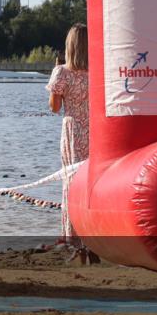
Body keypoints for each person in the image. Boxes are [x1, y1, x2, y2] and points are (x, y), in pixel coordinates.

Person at [47, 24, 98, 264]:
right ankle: (94, 236)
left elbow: (54, 108)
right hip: (95, 130)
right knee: (92, 182)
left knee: (71, 181)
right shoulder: (98, 71)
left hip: (73, 130)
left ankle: (73, 237)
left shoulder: (62, 72)